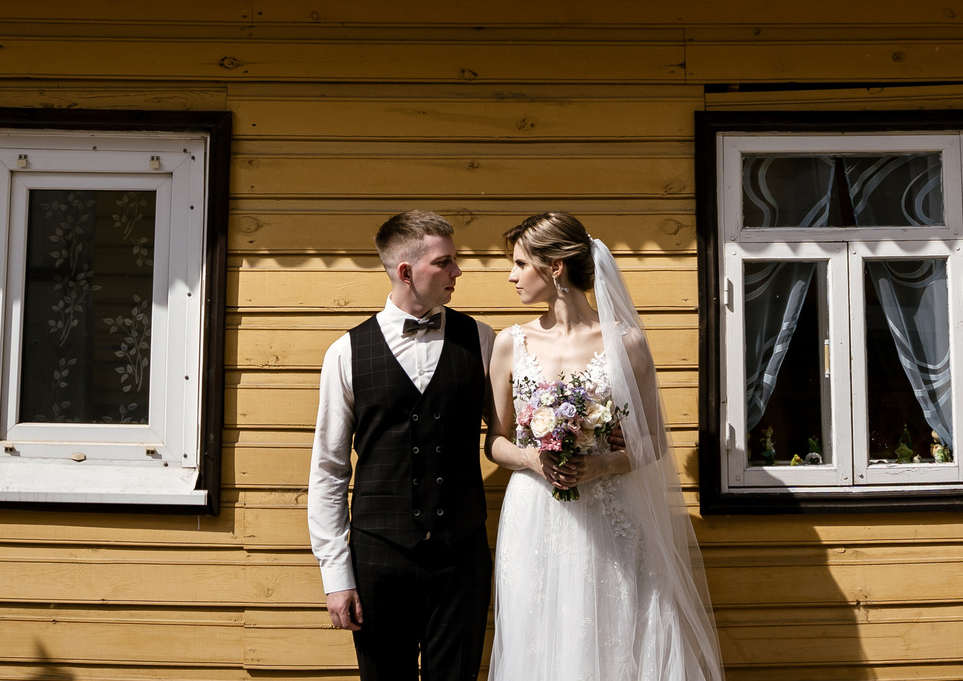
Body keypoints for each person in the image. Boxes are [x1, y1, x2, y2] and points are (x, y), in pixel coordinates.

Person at [485, 211, 725, 681]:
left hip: (608, 511)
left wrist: (604, 465)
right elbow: (495, 441)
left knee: (612, 629)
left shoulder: (626, 342)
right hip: (535, 512)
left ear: (555, 267)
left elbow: (653, 441)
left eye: (520, 263)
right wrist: (533, 457)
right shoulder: (509, 343)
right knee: (538, 631)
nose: (511, 275)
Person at [310, 209, 497, 681]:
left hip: (462, 555)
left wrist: (582, 433)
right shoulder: (345, 353)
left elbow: (511, 431)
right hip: (378, 557)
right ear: (406, 271)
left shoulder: (481, 340)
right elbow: (329, 469)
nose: (457, 271)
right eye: (444, 262)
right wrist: (336, 576)